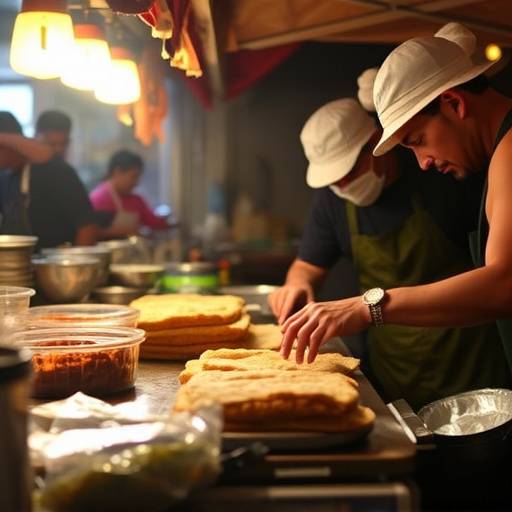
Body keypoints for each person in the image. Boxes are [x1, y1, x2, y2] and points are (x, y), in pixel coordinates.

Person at [279, 23, 512, 389]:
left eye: (418, 140)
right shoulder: (500, 153)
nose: (423, 162)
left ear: (454, 102)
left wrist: (367, 306)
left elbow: (504, 284)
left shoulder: (505, 154)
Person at [0, 112, 99, 248]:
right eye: (52, 143)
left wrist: (75, 266)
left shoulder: (55, 170)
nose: (58, 149)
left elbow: (87, 226)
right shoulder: (4, 176)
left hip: (56, 265)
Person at [90, 149, 173, 238]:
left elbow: (154, 223)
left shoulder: (136, 200)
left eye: (138, 177)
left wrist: (172, 223)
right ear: (117, 172)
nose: (136, 182)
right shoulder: (98, 199)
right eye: (134, 176)